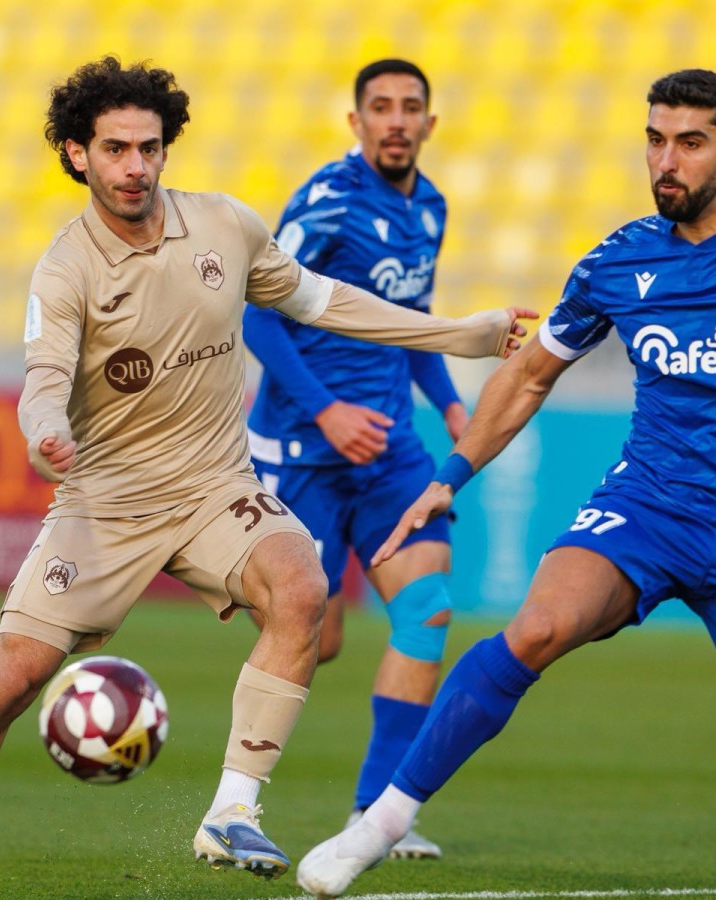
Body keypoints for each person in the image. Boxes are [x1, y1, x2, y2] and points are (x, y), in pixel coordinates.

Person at [0, 56, 535, 900]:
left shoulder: (225, 229)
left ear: (167, 149)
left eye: (149, 148)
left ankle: (232, 810)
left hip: (213, 487)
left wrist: (461, 334)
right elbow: (45, 382)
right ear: (76, 155)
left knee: (301, 585)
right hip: (109, 503)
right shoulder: (66, 268)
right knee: (10, 677)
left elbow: (324, 302)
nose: (135, 166)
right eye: (116, 149)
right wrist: (46, 431)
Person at [296, 68, 716, 900]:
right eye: (655, 139)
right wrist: (449, 475)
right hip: (644, 510)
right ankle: (378, 823)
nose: (666, 160)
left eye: (690, 142)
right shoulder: (618, 259)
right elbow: (528, 377)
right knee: (536, 627)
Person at [243, 58, 462, 861]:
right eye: (381, 108)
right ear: (357, 122)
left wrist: (451, 405)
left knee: (427, 606)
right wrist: (327, 412)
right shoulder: (326, 200)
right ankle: (238, 803)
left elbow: (411, 321)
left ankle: (377, 814)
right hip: (305, 448)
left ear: (429, 124)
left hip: (391, 452)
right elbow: (258, 317)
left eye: (411, 108)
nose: (396, 120)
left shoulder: (430, 207)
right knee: (316, 635)